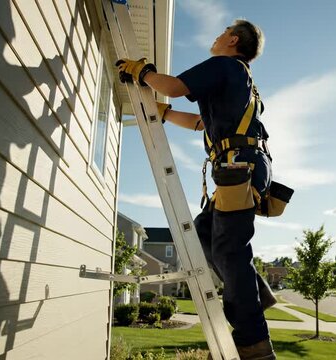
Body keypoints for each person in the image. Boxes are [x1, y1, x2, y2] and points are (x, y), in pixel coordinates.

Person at [116, 19, 276, 359]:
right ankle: (255, 293)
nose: (215, 37)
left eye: (222, 33)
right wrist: (167, 114)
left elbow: (173, 85)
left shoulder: (224, 65)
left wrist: (142, 72)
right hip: (240, 166)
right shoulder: (238, 80)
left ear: (233, 40)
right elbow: (200, 122)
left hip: (239, 166)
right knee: (204, 234)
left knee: (229, 251)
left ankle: (255, 344)